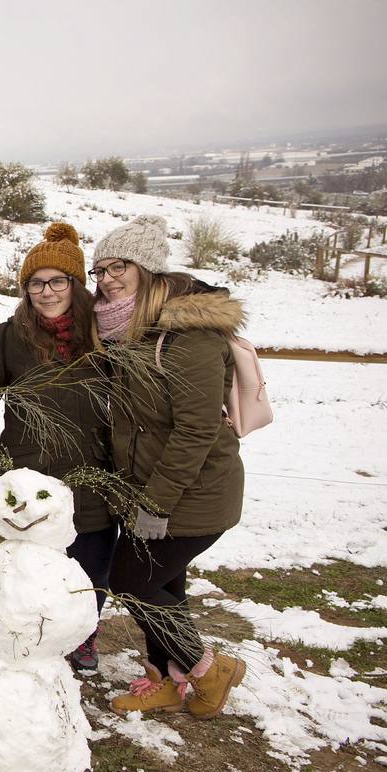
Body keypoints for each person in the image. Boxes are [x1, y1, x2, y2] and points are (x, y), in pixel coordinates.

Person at [90, 214, 247, 718]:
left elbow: (197, 430)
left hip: (195, 494)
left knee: (133, 581)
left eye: (119, 267)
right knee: (167, 585)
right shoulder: (131, 329)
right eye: (100, 271)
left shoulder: (190, 334)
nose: (107, 279)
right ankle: (165, 676)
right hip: (148, 489)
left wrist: (155, 503)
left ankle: (206, 669)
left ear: (149, 269)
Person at [0, 222, 116, 670]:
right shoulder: (9, 334)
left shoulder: (103, 337)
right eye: (36, 283)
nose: (46, 291)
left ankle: (82, 635)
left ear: (76, 286)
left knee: (90, 559)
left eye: (58, 281)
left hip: (88, 470)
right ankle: (24, 630)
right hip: (26, 467)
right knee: (28, 561)